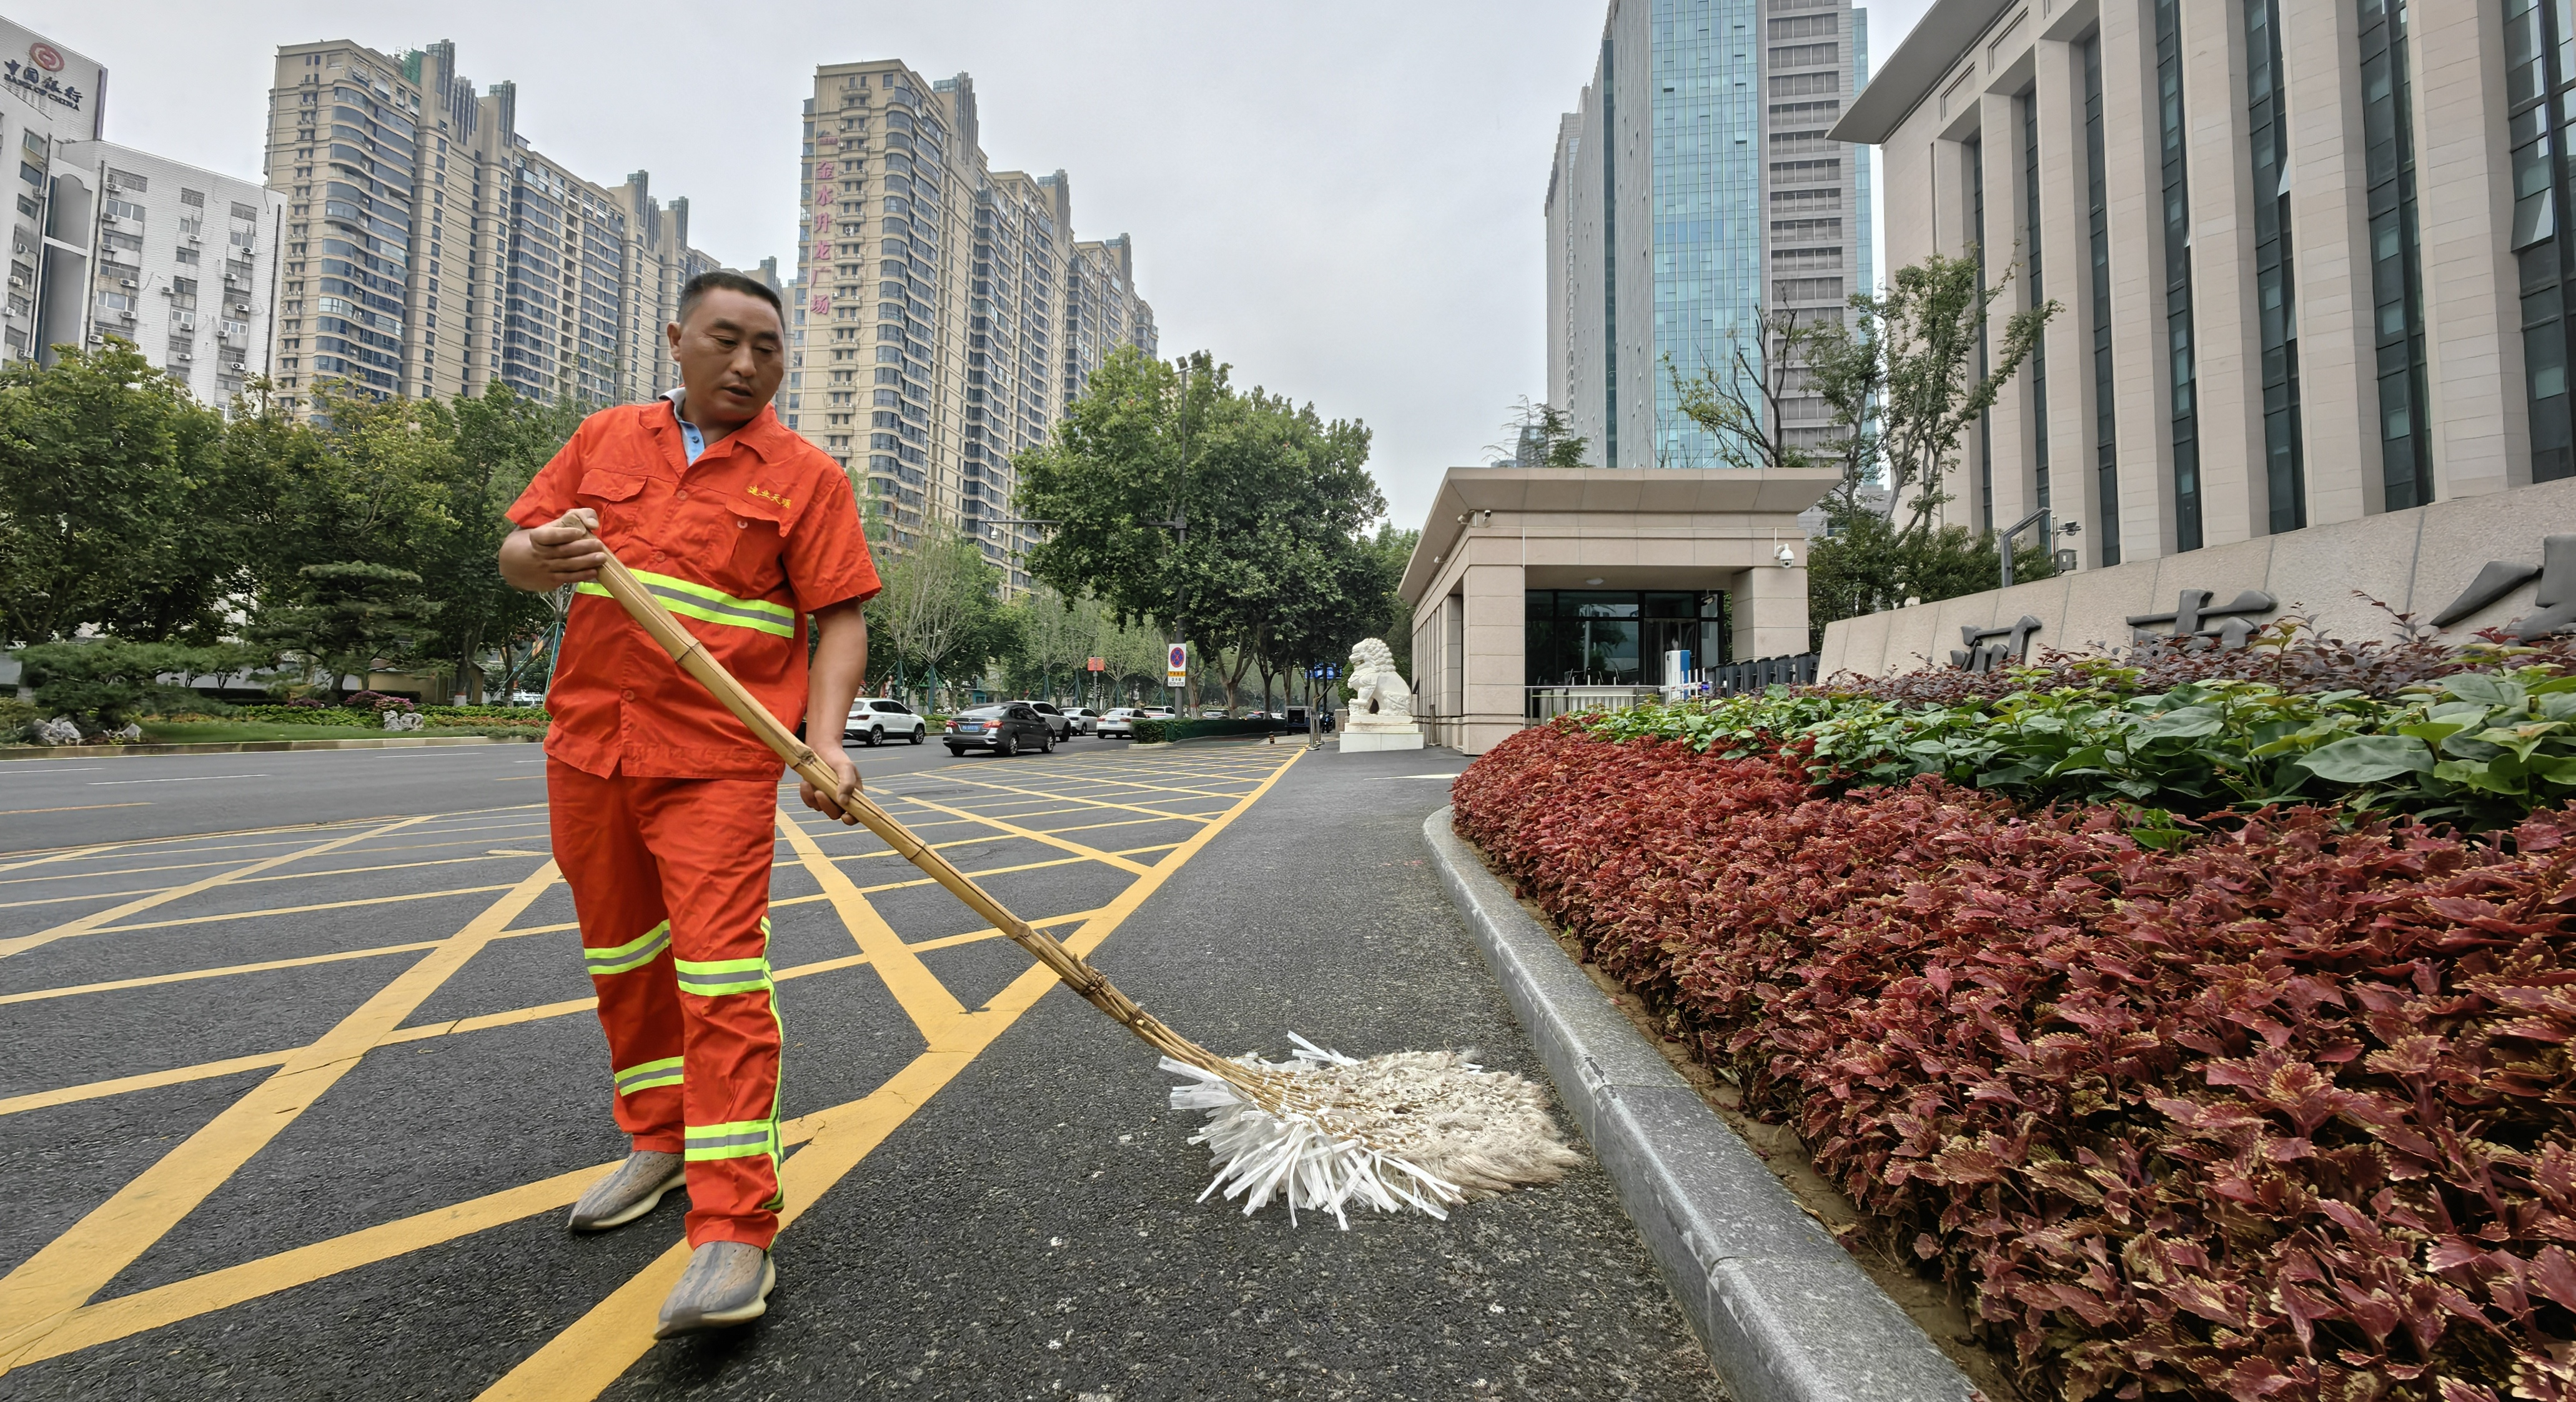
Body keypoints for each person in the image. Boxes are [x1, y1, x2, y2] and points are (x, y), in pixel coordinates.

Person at [497, 270, 878, 1337]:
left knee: (721, 979)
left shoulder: (804, 476)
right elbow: (517, 553)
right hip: (589, 749)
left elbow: (838, 619)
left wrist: (826, 743)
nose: (749, 365)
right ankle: (658, 1141)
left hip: (716, 758)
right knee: (622, 961)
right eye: (727, 340)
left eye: (770, 349)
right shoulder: (605, 439)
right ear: (678, 340)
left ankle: (732, 1231)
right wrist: (544, 554)